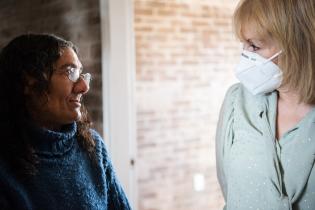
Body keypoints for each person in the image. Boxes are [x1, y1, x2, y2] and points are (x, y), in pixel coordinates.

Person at [0, 33, 132, 210]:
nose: (84, 87)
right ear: (28, 82)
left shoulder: (92, 147)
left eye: (81, 74)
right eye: (70, 72)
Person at [216, 0, 315, 209]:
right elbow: (230, 190)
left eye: (254, 46)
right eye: (244, 44)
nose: (245, 55)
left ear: (296, 45)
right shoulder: (236, 102)